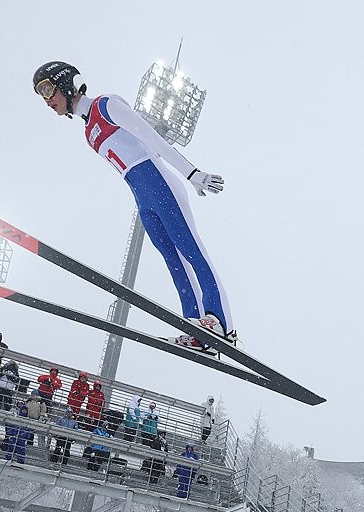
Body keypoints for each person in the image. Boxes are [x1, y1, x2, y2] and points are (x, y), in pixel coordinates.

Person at [32, 61, 236, 351]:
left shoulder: (107, 105)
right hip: (141, 195)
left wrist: (192, 174)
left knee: (190, 250)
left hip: (161, 183)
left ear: (66, 83)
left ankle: (219, 321)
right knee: (171, 259)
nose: (47, 100)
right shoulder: (88, 131)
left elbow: (154, 139)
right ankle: (194, 324)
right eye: (41, 94)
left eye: (48, 89)